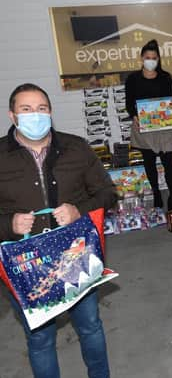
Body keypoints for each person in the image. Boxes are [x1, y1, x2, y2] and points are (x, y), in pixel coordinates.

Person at [0, 83, 117, 378]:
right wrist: (8, 224)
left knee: (90, 325)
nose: (35, 115)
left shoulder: (76, 147)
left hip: (75, 255)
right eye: (26, 109)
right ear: (12, 115)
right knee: (40, 339)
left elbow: (107, 192)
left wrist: (80, 210)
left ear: (50, 112)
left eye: (41, 108)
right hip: (26, 265)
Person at [125, 39, 172, 211]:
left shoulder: (165, 77)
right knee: (149, 162)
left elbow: (171, 101)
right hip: (144, 127)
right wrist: (134, 115)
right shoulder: (132, 79)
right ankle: (156, 193)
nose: (151, 60)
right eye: (148, 57)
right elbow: (128, 103)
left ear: (158, 59)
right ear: (142, 58)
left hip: (164, 127)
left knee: (169, 161)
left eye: (154, 58)